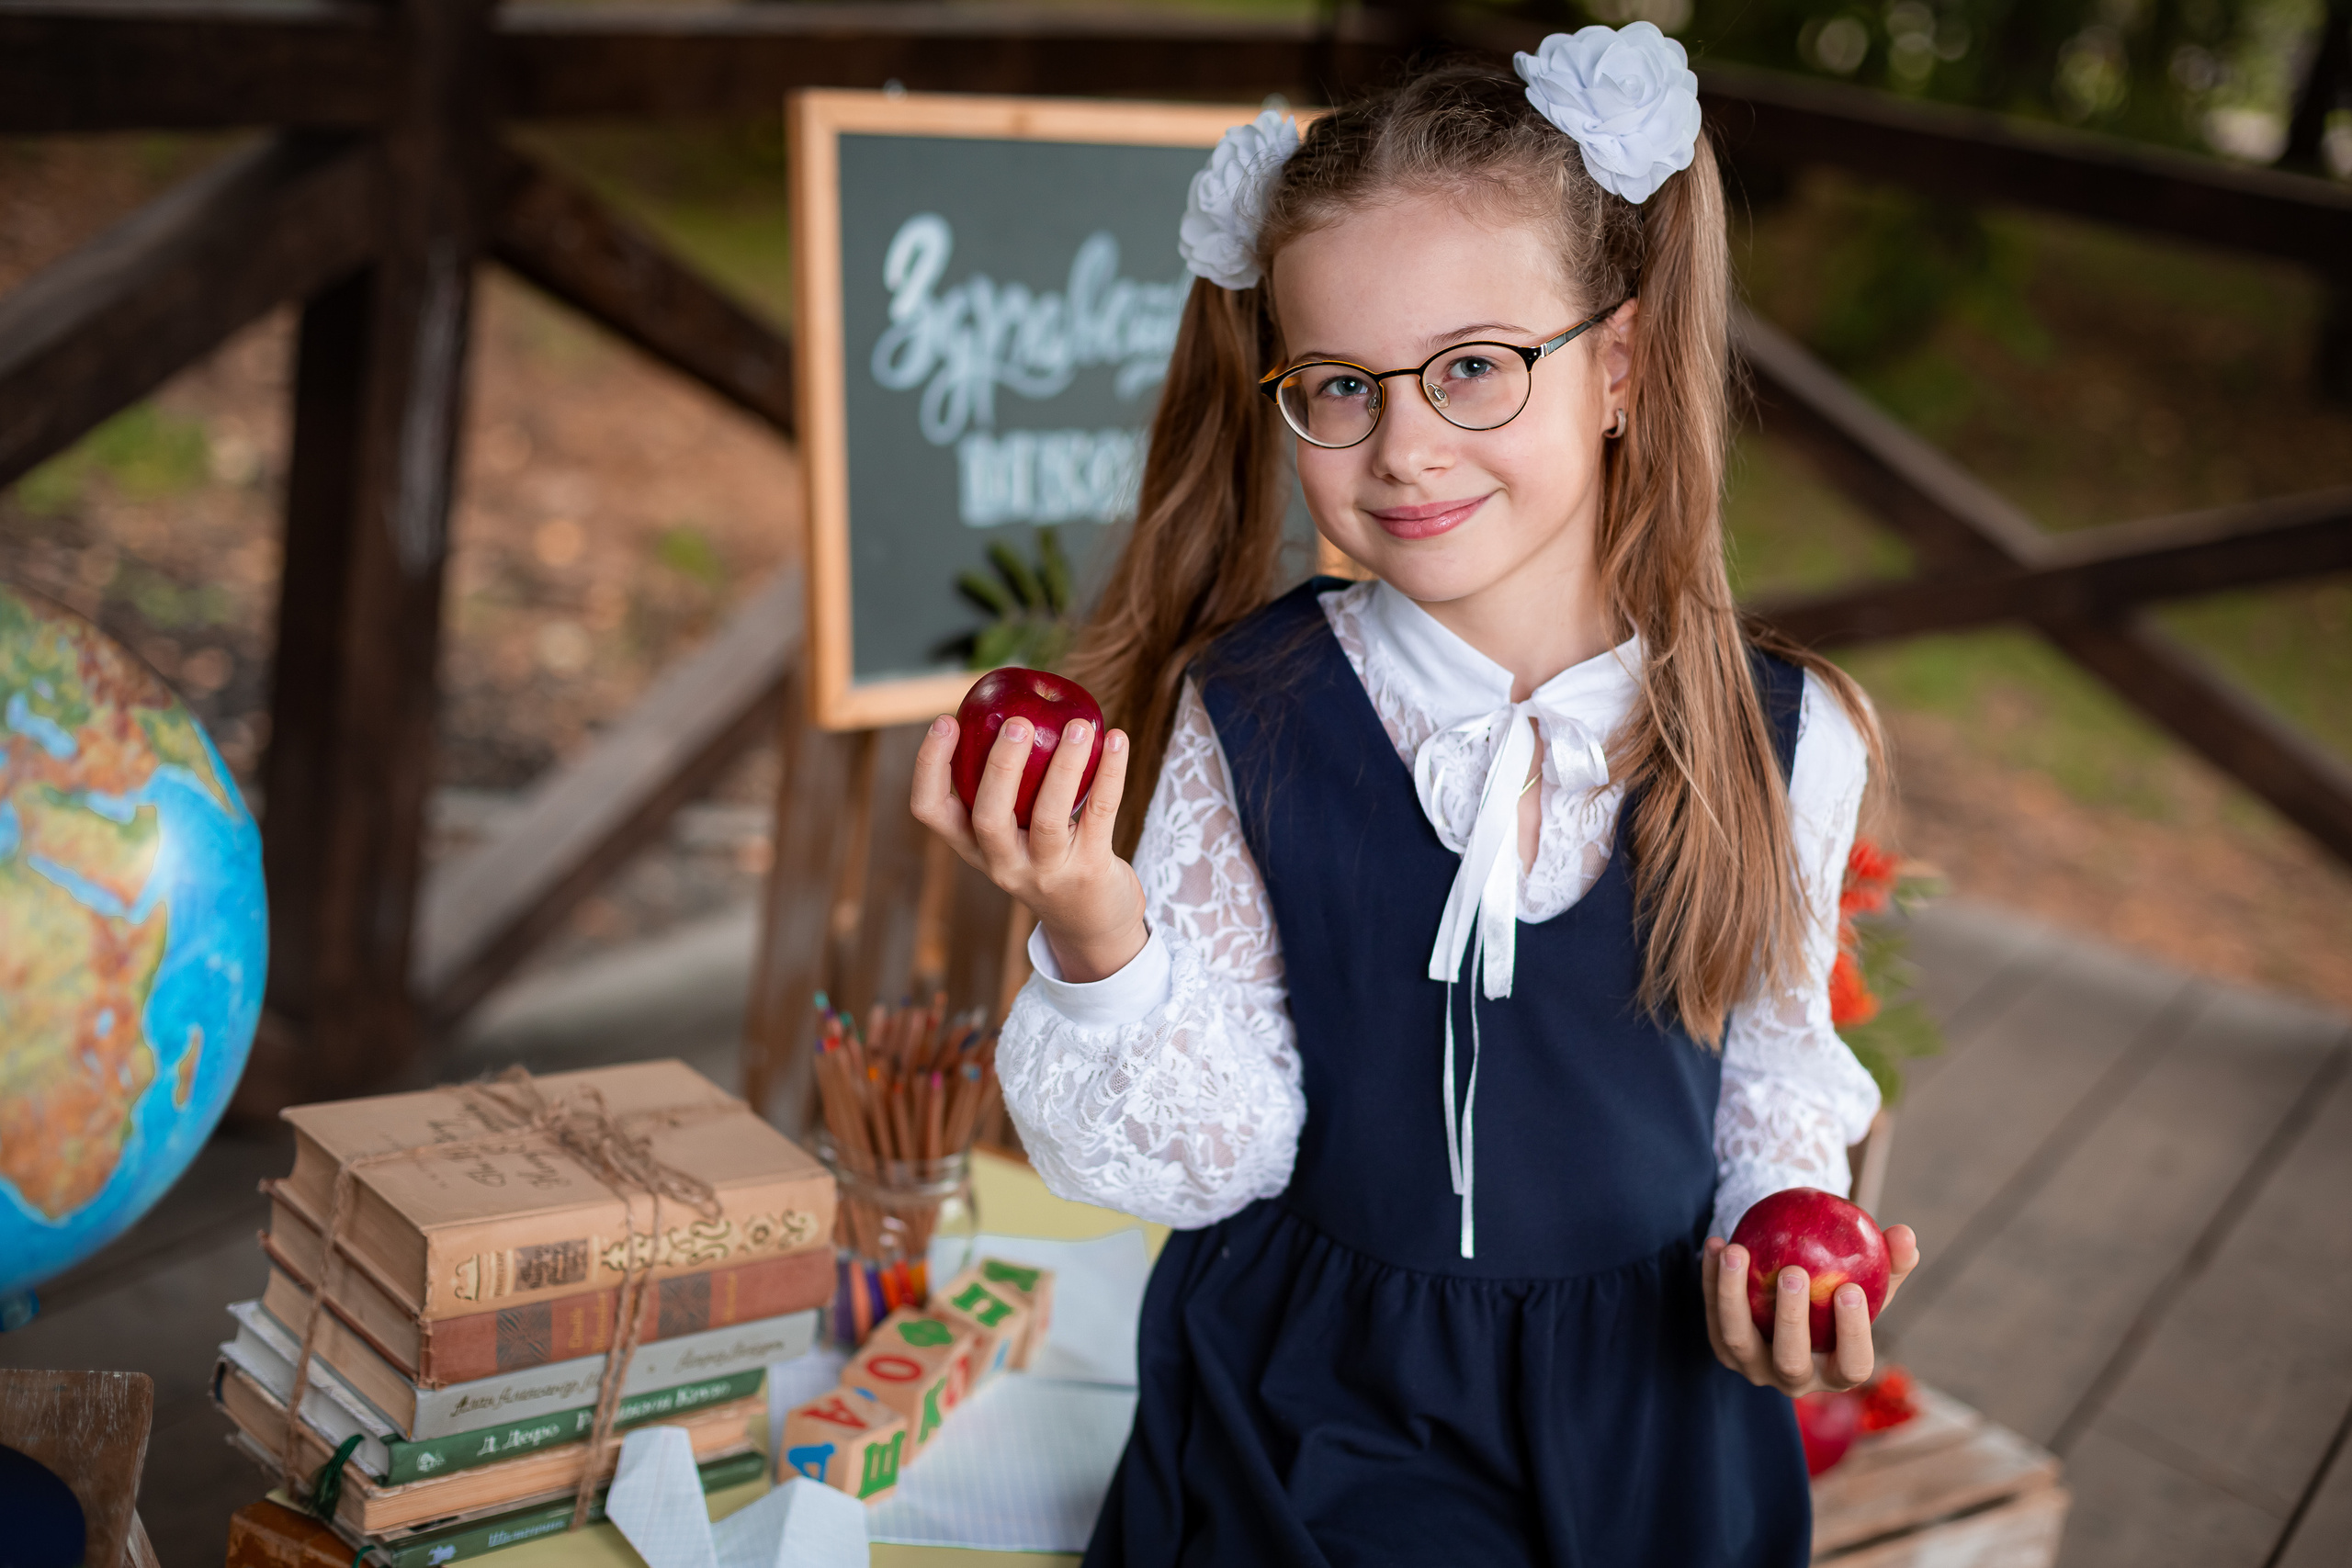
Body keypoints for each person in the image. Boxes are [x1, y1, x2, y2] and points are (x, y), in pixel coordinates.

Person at [911, 23, 1923, 1565]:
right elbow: (1220, 1150)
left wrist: (1780, 1253)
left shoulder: (1787, 738)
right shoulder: (1254, 707)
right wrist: (1094, 924)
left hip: (1644, 1422)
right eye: (1338, 384)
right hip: (1305, 1412)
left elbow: (1774, 1074)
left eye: (1472, 368)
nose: (1403, 450)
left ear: (1623, 363)